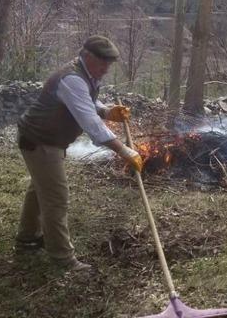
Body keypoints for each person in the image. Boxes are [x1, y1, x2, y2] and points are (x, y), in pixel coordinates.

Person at [15, 35, 143, 272]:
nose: (106, 69)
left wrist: (107, 111)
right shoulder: (72, 79)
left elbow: (86, 102)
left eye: (109, 64)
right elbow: (90, 123)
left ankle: (28, 238)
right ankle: (62, 259)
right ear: (87, 57)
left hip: (42, 140)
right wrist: (124, 150)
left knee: (40, 189)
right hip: (40, 141)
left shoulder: (84, 75)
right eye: (102, 63)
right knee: (56, 198)